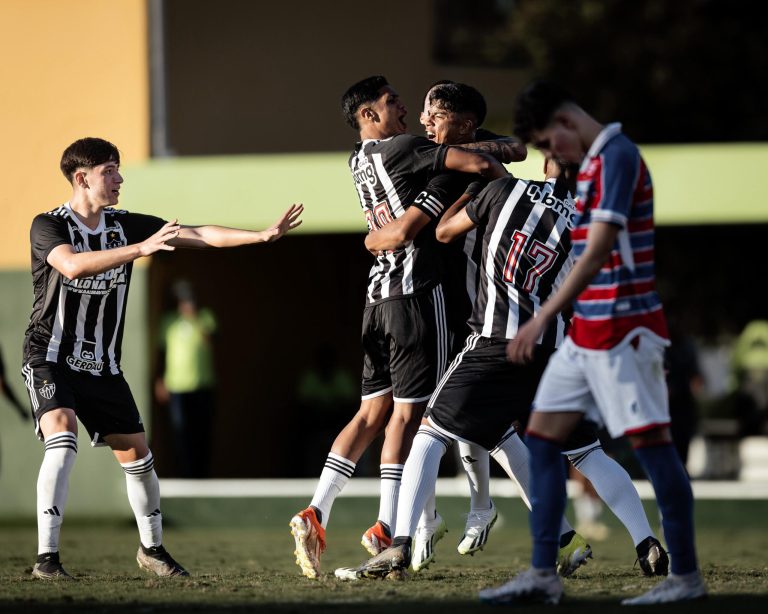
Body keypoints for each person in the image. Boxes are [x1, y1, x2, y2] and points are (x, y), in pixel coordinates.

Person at [352, 151, 667, 581]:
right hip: (553, 352)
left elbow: (443, 232)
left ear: (546, 165)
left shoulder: (505, 190)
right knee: (588, 453)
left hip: (496, 342)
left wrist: (470, 195)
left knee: (429, 434)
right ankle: (646, 541)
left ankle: (402, 543)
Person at [21, 137, 303, 580]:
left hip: (103, 367)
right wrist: (142, 249)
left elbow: (200, 234)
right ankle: (47, 559)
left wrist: (261, 236)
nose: (119, 179)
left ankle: (153, 549)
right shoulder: (48, 225)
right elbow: (72, 266)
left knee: (138, 456)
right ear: (82, 178)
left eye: (118, 169)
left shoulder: (124, 225)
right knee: (62, 435)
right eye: (109, 170)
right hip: (50, 355)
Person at [289, 75, 519, 580]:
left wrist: (377, 239)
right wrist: (496, 168)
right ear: (370, 115)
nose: (408, 110)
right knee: (418, 419)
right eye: (393, 103)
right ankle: (392, 530)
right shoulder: (408, 148)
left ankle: (317, 510)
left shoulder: (356, 158)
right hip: (418, 297)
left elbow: (386, 230)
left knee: (371, 412)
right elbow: (483, 162)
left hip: (375, 300)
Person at [486, 81, 706, 605]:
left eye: (545, 144)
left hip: (625, 329)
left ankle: (687, 578)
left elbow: (600, 247)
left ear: (564, 122)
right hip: (586, 333)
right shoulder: (586, 166)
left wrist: (542, 318)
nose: (548, 155)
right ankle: (543, 573)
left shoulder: (618, 157)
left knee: (655, 452)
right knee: (541, 440)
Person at [154, 280, 217, 478]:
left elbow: (211, 340)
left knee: (203, 432)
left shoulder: (205, 317)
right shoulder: (168, 321)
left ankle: (202, 475)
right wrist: (159, 379)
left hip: (203, 385)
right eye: (182, 300)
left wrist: (195, 318)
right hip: (177, 387)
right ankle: (185, 474)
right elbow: (161, 352)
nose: (186, 304)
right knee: (181, 433)